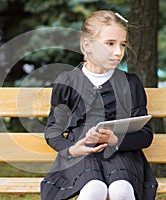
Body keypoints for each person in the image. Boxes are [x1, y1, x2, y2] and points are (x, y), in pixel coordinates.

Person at [40, 10, 158, 200]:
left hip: (122, 155)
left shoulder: (130, 83)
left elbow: (145, 135)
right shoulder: (68, 81)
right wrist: (71, 150)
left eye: (123, 45)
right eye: (110, 44)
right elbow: (53, 130)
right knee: (94, 189)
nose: (118, 52)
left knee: (121, 190)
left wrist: (115, 139)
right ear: (87, 45)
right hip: (81, 155)